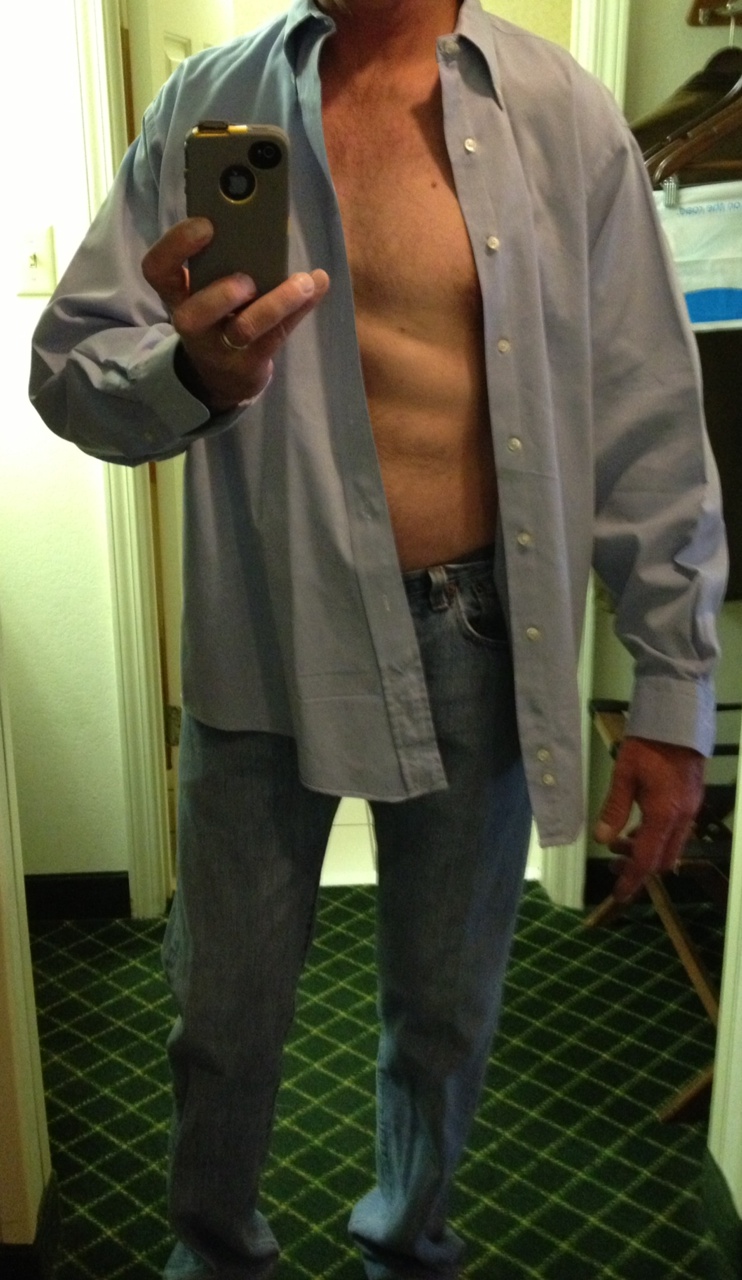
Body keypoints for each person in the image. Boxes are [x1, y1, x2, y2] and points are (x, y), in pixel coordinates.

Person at [29, 1, 727, 1277]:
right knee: (221, 1016)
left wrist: (673, 692)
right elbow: (68, 370)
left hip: (482, 635)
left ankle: (408, 1247)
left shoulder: (560, 115)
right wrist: (190, 375)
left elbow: (646, 416)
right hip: (264, 628)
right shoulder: (208, 106)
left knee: (444, 1017)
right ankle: (214, 1254)